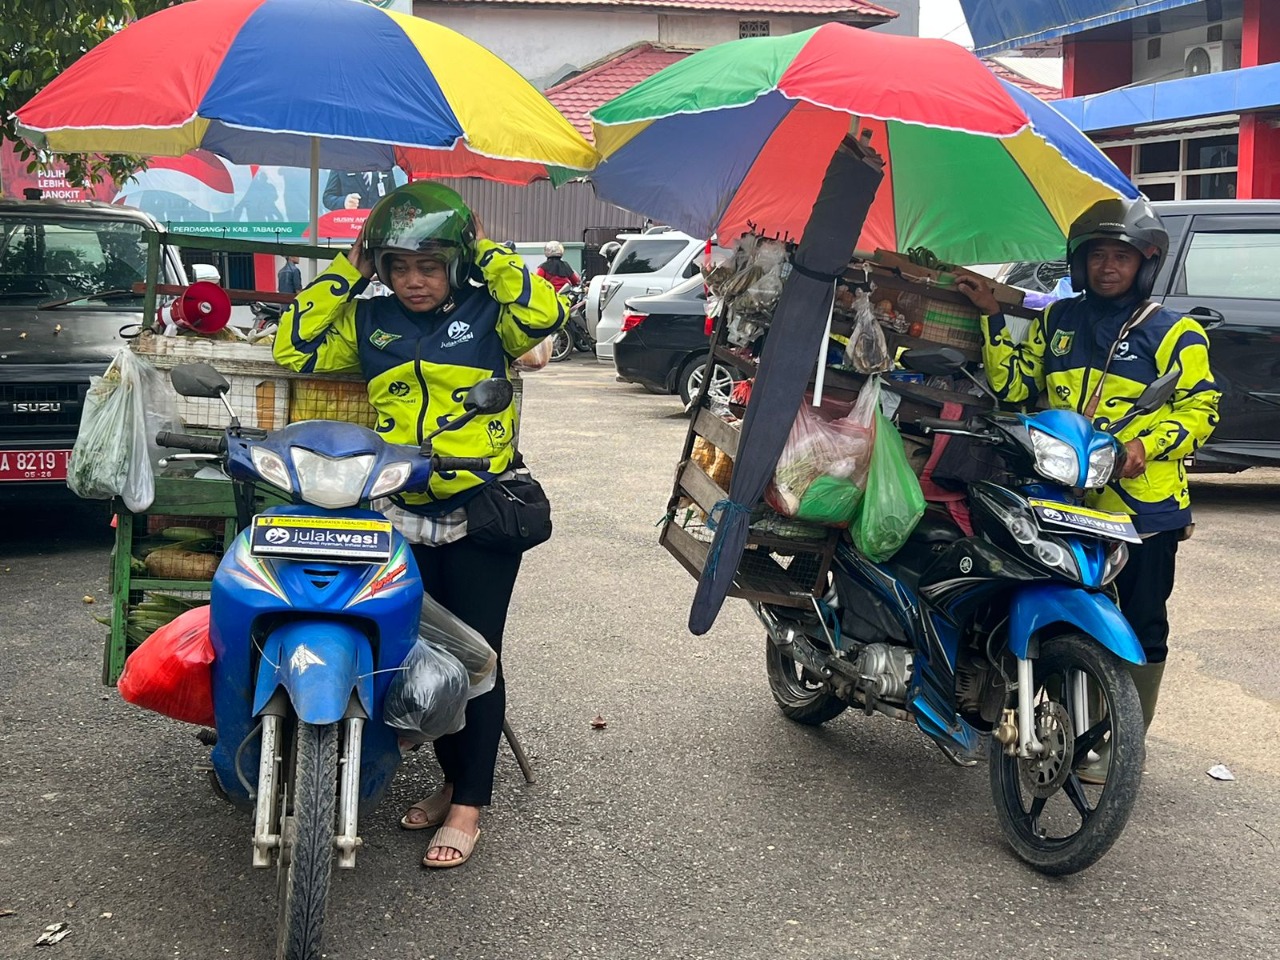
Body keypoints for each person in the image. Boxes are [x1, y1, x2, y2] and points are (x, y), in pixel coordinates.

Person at [273, 182, 565, 866]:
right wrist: (349, 270)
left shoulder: (492, 312)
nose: (413, 281)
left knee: (477, 656)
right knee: (418, 655)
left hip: (480, 512)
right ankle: (447, 780)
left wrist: (484, 246)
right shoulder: (369, 320)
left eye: (429, 266)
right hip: (398, 512)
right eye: (398, 266)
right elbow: (294, 346)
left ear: (456, 263)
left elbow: (545, 310)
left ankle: (469, 805)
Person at [957, 196, 1220, 782]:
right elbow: (1016, 385)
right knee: (1055, 612)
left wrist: (1143, 447)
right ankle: (1049, 723)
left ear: (1144, 263)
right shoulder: (1059, 321)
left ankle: (1121, 748)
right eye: (1096, 255)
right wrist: (993, 315)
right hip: (1062, 499)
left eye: (1120, 256)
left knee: (1145, 622)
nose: (1107, 267)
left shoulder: (1175, 332)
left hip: (1142, 508)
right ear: (1079, 264)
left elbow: (1203, 406)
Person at [322, 169, 396, 211]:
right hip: (350, 227)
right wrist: (344, 202)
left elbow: (394, 197)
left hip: (377, 228)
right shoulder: (341, 163)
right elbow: (327, 197)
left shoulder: (383, 164)